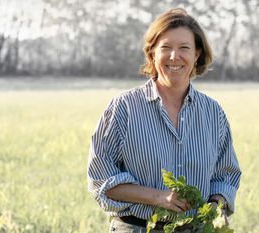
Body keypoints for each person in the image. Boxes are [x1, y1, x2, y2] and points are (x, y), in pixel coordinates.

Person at [87, 8, 241, 233]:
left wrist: (215, 206)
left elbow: (225, 176)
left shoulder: (212, 112)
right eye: (166, 48)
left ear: (197, 54)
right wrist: (158, 197)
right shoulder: (124, 108)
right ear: (152, 53)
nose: (174, 56)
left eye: (184, 48)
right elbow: (100, 178)